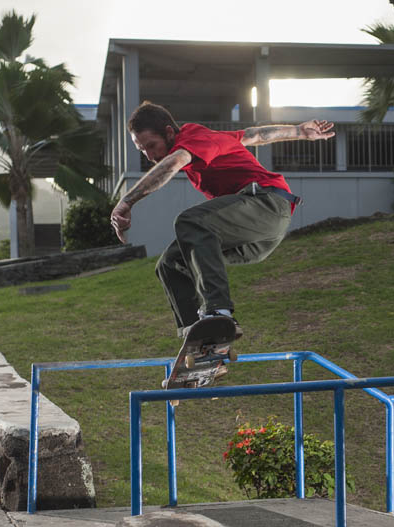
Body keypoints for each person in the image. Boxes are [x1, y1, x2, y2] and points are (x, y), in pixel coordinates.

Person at [110, 101, 334, 351]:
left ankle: (218, 313)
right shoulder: (213, 139)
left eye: (151, 146)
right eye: (142, 151)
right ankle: (201, 342)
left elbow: (171, 165)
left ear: (170, 132)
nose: (150, 156)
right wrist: (299, 131)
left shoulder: (194, 139)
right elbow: (254, 135)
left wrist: (126, 201)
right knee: (171, 263)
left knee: (190, 222)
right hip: (254, 232)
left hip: (267, 205)